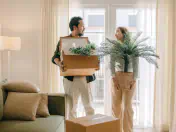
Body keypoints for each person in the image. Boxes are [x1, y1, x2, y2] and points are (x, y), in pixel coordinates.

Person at [52, 16, 95, 119]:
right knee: (71, 108)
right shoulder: (64, 41)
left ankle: (91, 128)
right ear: (75, 27)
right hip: (70, 79)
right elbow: (55, 57)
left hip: (85, 77)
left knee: (89, 106)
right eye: (82, 25)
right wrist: (59, 64)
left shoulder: (86, 42)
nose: (84, 28)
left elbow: (92, 57)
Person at [111, 27, 139, 132]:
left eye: (117, 31)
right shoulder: (114, 47)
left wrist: (134, 79)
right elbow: (111, 63)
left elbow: (136, 64)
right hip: (117, 77)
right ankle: (116, 130)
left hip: (130, 77)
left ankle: (128, 130)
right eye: (115, 31)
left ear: (124, 33)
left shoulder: (133, 47)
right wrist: (113, 77)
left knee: (127, 107)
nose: (115, 34)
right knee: (116, 106)